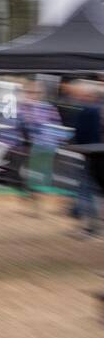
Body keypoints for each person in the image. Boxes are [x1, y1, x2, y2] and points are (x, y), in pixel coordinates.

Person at [71, 81, 103, 233]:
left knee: (87, 189)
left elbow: (80, 134)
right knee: (94, 190)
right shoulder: (98, 110)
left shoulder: (88, 110)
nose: (78, 97)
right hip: (97, 155)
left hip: (91, 155)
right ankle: (92, 225)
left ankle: (90, 227)